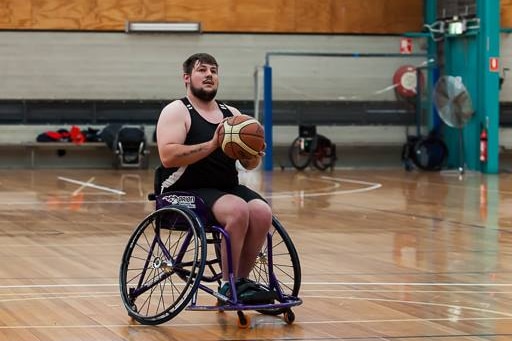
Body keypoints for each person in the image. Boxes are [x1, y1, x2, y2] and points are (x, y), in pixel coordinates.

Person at [156, 53, 272, 301]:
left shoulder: (232, 114)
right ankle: (228, 284)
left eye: (214, 71)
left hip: (224, 188)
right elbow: (167, 156)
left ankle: (239, 281)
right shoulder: (176, 111)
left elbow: (248, 165)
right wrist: (211, 144)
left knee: (262, 212)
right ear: (187, 78)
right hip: (184, 190)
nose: (209, 74)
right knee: (238, 210)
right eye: (202, 70)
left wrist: (255, 153)